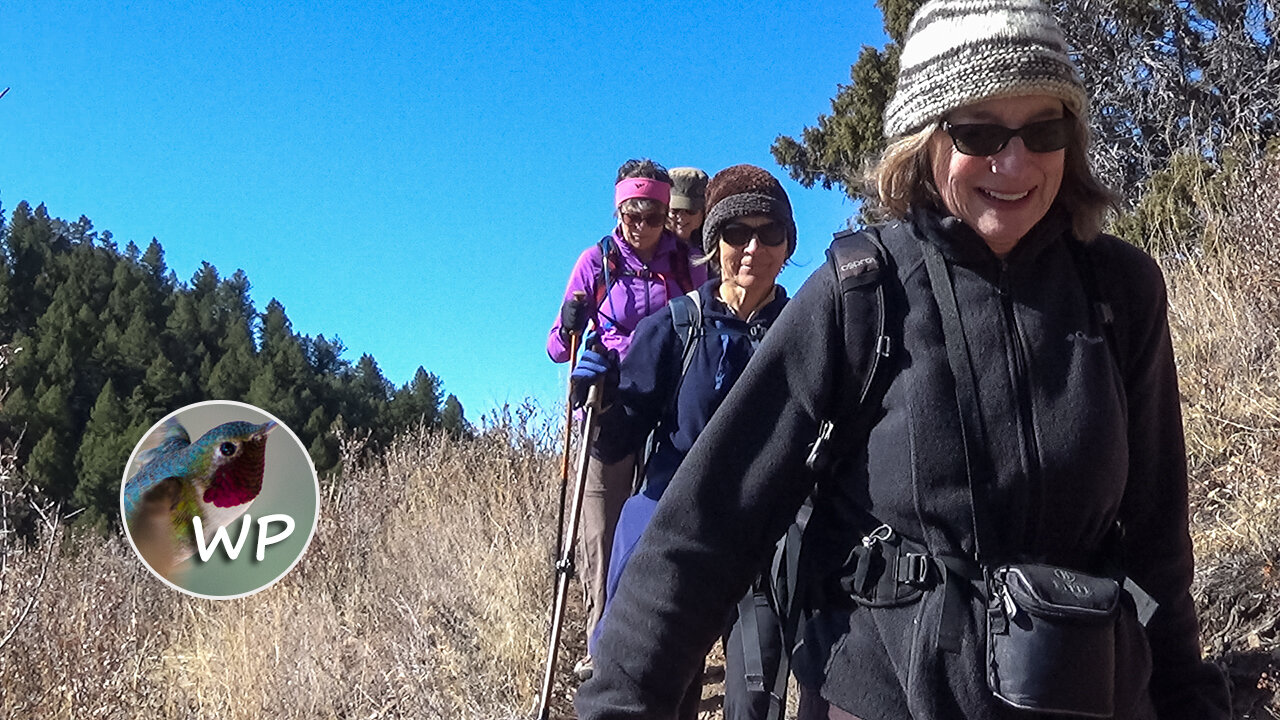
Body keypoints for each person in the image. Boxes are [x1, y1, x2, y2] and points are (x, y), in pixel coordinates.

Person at [575, 2, 1232, 719]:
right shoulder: (860, 292)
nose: (1012, 163)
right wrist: (619, 701)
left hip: (1091, 697)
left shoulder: (1120, 292)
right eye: (977, 131)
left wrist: (1189, 700)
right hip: (884, 696)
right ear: (925, 139)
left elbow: (1158, 544)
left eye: (1042, 130)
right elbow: (707, 527)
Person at [574, 165, 797, 720]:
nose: (752, 248)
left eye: (770, 233)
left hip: (763, 540)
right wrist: (598, 396)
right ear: (712, 242)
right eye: (735, 234)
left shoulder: (803, 331)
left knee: (756, 703)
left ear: (788, 245)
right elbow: (620, 438)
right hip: (677, 529)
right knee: (659, 699)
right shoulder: (675, 328)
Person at [547, 158, 707, 679]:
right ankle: (603, 652)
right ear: (619, 211)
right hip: (608, 410)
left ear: (667, 214)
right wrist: (572, 328)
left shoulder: (686, 264)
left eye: (653, 217)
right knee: (601, 538)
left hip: (666, 412)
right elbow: (555, 346)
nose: (640, 228)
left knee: (653, 532)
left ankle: (650, 645)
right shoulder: (596, 263)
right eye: (631, 216)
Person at [667, 166, 710, 250]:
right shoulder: (650, 247)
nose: (682, 217)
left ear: (703, 212)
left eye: (690, 210)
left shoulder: (714, 249)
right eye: (675, 211)